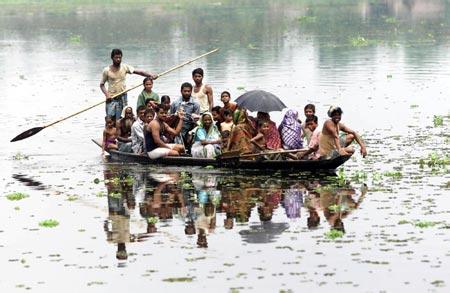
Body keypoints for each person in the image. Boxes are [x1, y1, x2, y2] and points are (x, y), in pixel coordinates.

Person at [100, 48, 158, 121]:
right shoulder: (107, 70)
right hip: (111, 98)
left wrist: (151, 75)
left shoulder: (124, 67)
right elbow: (102, 85)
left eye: (119, 57)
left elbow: (139, 72)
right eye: (116, 57)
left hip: (123, 97)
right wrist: (107, 95)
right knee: (110, 119)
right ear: (112, 58)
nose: (118, 59)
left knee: (123, 118)